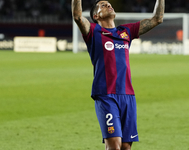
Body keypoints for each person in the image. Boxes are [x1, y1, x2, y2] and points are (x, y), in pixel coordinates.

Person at [71, 0, 165, 149]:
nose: (108, 5)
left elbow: (157, 19)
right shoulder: (93, 32)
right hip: (105, 95)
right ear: (96, 16)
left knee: (126, 147)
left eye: (109, 4)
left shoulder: (126, 31)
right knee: (114, 146)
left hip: (128, 96)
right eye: (103, 5)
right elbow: (77, 16)